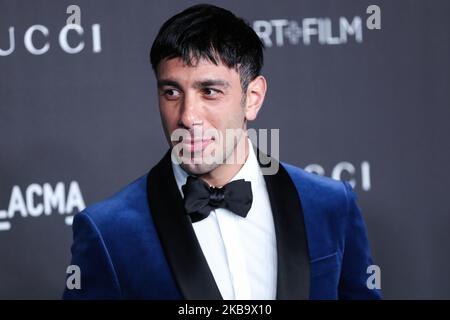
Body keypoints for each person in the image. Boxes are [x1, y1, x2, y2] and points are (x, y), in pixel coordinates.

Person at [63, 4, 381, 300]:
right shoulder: (108, 232)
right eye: (171, 92)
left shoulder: (330, 204)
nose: (188, 116)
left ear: (252, 98)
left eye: (210, 91)